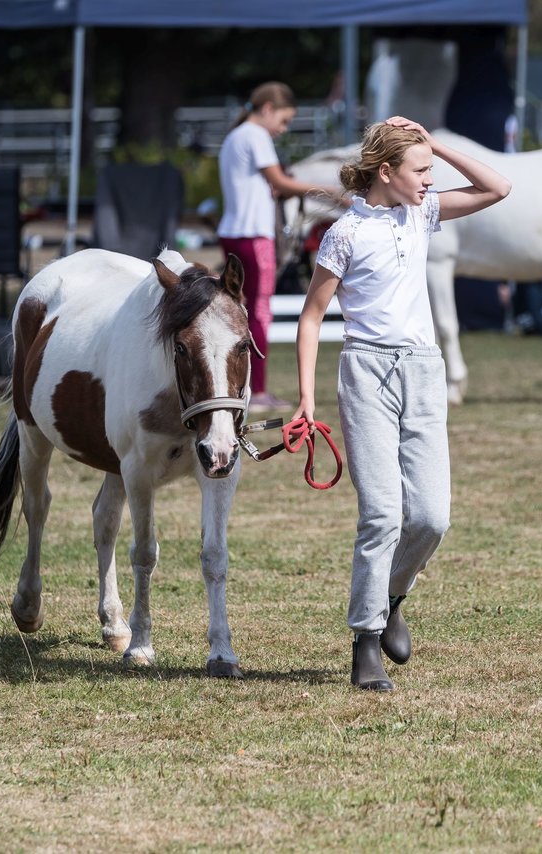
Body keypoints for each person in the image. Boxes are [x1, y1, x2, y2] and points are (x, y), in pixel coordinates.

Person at [293, 117, 510, 691]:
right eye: (420, 170)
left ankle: (391, 597)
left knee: (432, 517)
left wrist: (433, 144)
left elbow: (497, 188)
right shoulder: (344, 233)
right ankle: (365, 640)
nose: (429, 179)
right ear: (385, 172)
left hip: (423, 371)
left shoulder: (422, 213)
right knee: (383, 515)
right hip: (365, 372)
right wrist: (308, 400)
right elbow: (312, 317)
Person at [218, 81, 341, 412]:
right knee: (258, 312)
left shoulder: (235, 136)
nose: (282, 130)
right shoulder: (255, 135)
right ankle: (257, 391)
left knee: (240, 312)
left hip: (232, 231)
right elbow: (281, 182)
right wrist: (331, 191)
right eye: (284, 121)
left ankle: (242, 386)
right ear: (268, 109)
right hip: (254, 235)